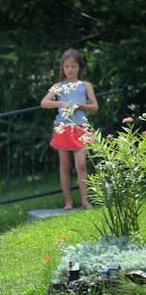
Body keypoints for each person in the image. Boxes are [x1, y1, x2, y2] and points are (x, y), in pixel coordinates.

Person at [41, 48, 98, 211]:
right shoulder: (58, 86)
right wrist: (61, 103)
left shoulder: (85, 86)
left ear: (79, 67)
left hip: (81, 128)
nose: (70, 70)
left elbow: (95, 107)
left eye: (73, 66)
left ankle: (85, 201)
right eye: (67, 66)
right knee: (65, 165)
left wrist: (81, 106)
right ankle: (68, 202)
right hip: (63, 128)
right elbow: (44, 103)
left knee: (81, 164)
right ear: (62, 68)